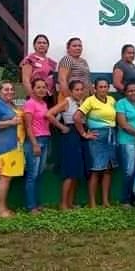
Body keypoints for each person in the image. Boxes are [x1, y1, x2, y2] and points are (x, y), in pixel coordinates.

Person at [75, 78, 118, 208]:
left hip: (110, 137)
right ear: (95, 88)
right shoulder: (90, 100)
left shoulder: (111, 100)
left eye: (106, 87)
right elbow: (76, 117)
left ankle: (105, 201)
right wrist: (84, 134)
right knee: (96, 170)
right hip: (97, 138)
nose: (103, 89)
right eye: (101, 87)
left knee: (108, 170)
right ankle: (92, 203)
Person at [46, 80, 88, 210]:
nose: (79, 92)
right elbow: (49, 114)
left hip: (80, 136)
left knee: (76, 171)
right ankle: (63, 204)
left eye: (81, 89)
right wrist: (62, 127)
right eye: (77, 89)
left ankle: (70, 203)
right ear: (71, 91)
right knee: (69, 171)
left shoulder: (82, 102)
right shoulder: (67, 101)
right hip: (70, 136)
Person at [0, 80, 25, 218]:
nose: (10, 92)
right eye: (6, 89)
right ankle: (1, 210)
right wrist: (10, 122)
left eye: (11, 89)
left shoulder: (10, 104)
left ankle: (4, 209)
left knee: (7, 178)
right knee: (5, 178)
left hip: (14, 146)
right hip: (3, 147)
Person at [22, 78, 51, 214]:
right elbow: (28, 126)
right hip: (35, 140)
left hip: (45, 138)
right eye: (38, 87)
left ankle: (37, 204)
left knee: (39, 174)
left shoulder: (44, 104)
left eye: (43, 87)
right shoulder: (30, 104)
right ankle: (31, 206)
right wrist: (34, 144)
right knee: (32, 175)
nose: (41, 90)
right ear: (32, 89)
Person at [20, 34, 58, 104]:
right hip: (35, 96)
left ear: (47, 46)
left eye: (44, 43)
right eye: (39, 43)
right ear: (34, 45)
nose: (42, 45)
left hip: (49, 97)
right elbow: (25, 80)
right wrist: (34, 97)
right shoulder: (29, 59)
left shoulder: (52, 62)